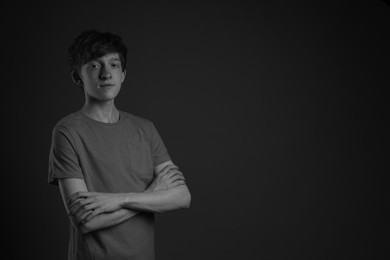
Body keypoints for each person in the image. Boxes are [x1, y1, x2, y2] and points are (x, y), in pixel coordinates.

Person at [48, 30, 191, 260]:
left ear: (123, 74)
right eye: (95, 66)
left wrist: (118, 199)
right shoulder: (67, 131)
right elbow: (86, 222)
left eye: (114, 65)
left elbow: (182, 197)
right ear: (77, 77)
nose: (106, 74)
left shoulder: (145, 128)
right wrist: (153, 192)